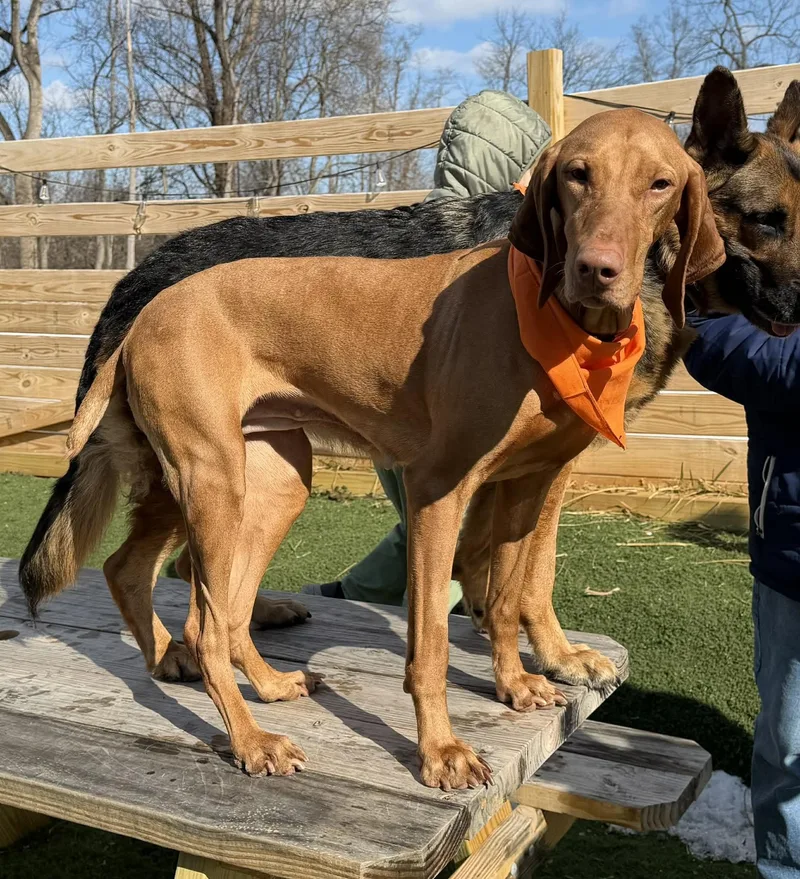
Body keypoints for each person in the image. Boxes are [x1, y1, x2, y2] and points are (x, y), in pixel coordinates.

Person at [302, 89, 551, 610]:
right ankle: (405, 605)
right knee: (442, 507)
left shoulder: (413, 230)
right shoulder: (497, 249)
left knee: (437, 508)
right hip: (426, 405)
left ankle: (407, 599)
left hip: (380, 398)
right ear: (519, 166)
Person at [684, 311, 800, 878]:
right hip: (793, 553)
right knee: (791, 740)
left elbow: (773, 362)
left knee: (791, 741)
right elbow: (725, 337)